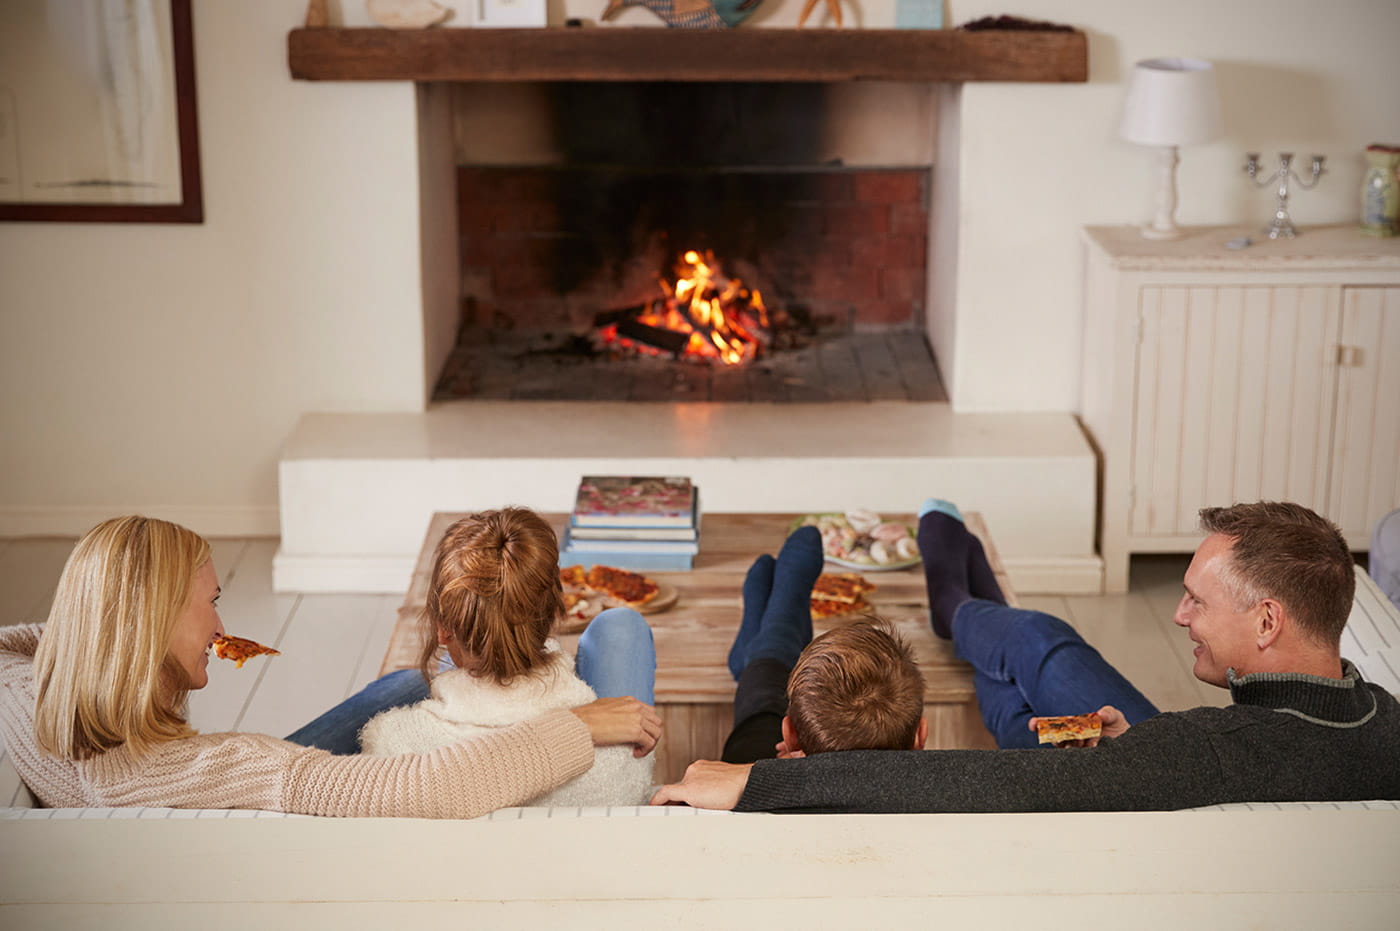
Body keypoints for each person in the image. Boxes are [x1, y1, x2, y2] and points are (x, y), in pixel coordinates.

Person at [651, 500, 1400, 812]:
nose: (1176, 615)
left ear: (1268, 620)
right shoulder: (1384, 721)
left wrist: (760, 785)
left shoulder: (1200, 752)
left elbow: (968, 780)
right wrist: (1135, 750)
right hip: (1160, 768)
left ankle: (961, 610)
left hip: (1155, 788)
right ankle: (971, 611)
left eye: (1197, 600)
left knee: (1039, 646)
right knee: (1037, 673)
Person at [0, 515, 661, 817]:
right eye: (212, 603)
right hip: (253, 821)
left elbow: (12, 649)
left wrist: (87, 632)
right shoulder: (208, 771)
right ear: (146, 625)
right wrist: (583, 724)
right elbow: (433, 787)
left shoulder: (37, 707)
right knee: (621, 630)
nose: (223, 628)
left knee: (407, 681)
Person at [359, 508, 656, 806]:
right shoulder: (622, 740)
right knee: (621, 625)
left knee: (426, 671)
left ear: (442, 630)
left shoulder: (390, 745)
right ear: (556, 611)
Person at [715, 525, 926, 764]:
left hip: (754, 755)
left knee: (765, 702)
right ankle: (773, 633)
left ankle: (774, 633)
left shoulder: (739, 784)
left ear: (790, 737)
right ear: (921, 734)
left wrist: (776, 774)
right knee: (769, 679)